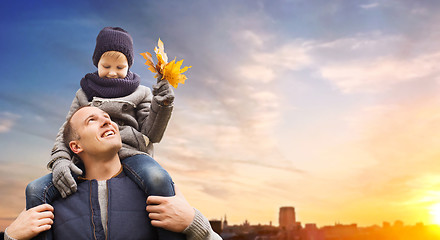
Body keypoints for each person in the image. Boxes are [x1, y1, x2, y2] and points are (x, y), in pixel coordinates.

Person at [26, 27, 179, 234]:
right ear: (96, 62)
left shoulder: (140, 92)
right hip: (89, 154)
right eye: (106, 66)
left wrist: (162, 105)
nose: (112, 72)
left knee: (158, 178)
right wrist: (61, 160)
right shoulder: (85, 93)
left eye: (120, 66)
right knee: (35, 190)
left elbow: (152, 133)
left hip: (131, 153)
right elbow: (68, 130)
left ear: (129, 66)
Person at [4, 106, 221, 240]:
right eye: (92, 120)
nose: (107, 121)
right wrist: (11, 237)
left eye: (107, 117)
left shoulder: (158, 192)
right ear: (76, 146)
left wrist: (195, 226)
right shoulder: (51, 205)